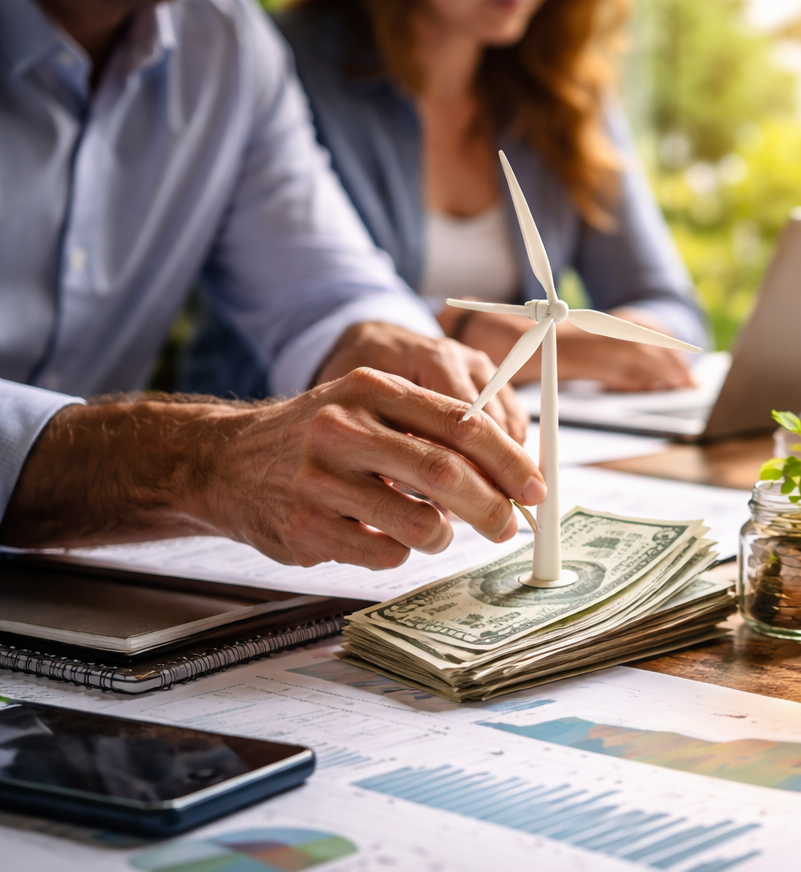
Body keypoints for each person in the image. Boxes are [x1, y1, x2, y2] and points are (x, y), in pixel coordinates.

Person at [0, 0, 544, 566]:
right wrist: (196, 462)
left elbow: (322, 285)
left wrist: (386, 345)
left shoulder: (227, 41)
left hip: (68, 585)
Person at [186, 0, 706, 399]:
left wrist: (588, 340)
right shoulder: (275, 69)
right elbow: (315, 311)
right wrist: (523, 339)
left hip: (506, 442)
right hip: (281, 453)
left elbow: (672, 309)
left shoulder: (563, 96)